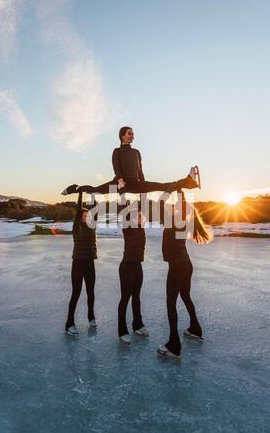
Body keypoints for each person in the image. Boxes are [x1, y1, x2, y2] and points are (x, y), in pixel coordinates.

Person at [61, 126, 200, 196]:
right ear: (122, 136)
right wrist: (120, 180)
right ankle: (75, 188)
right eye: (129, 133)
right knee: (95, 191)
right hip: (120, 183)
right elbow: (116, 167)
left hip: (135, 184)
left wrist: (144, 186)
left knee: (161, 186)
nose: (132, 135)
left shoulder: (136, 152)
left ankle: (189, 181)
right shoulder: (117, 151)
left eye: (133, 133)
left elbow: (140, 171)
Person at [157, 191, 213, 359]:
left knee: (170, 303)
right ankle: (195, 328)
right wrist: (179, 191)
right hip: (185, 264)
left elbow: (160, 203)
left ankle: (174, 345)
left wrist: (172, 188)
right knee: (185, 296)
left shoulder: (176, 220)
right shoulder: (180, 220)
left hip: (178, 266)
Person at [65, 191, 97, 335]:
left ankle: (91, 317)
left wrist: (94, 194)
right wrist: (80, 194)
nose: (86, 217)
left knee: (91, 293)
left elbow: (94, 209)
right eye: (83, 216)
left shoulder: (92, 226)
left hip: (90, 263)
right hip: (78, 263)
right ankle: (69, 323)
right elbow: (79, 210)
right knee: (76, 293)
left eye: (87, 216)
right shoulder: (76, 227)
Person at [118, 206, 149, 344]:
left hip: (138, 266)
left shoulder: (141, 229)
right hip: (127, 267)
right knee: (125, 298)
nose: (140, 217)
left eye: (141, 216)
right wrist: (122, 190)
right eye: (137, 216)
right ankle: (122, 331)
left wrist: (142, 185)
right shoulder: (127, 229)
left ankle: (138, 325)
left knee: (136, 296)